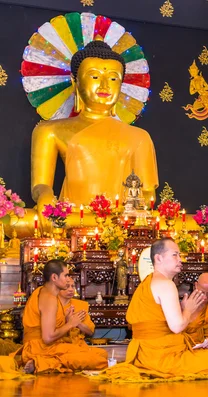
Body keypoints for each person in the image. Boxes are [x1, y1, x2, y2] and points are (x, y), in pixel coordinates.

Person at [25, 39, 158, 235]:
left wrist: (128, 212)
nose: (105, 85)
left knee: (173, 222)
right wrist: (45, 196)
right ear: (75, 82)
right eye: (94, 76)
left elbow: (147, 192)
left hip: (120, 221)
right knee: (23, 221)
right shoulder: (49, 130)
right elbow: (41, 184)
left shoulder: (139, 136)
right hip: (71, 219)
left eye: (113, 79)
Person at [102, 238, 208, 380]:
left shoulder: (148, 282)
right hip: (163, 357)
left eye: (179, 255)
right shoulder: (166, 284)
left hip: (143, 354)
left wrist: (184, 310)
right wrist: (189, 310)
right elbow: (177, 327)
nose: (180, 260)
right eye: (175, 255)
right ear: (158, 258)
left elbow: (164, 323)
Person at [15, 260, 108, 373]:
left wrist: (68, 321)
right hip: (40, 348)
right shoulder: (50, 298)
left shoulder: (43, 292)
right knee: (100, 361)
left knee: (101, 354)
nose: (68, 279)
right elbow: (48, 338)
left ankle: (44, 362)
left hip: (47, 347)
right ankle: (42, 363)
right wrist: (71, 324)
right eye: (65, 275)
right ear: (54, 277)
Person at [58, 276, 95, 343]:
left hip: (76, 345)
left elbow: (90, 332)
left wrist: (78, 323)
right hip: (56, 345)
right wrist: (67, 322)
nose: (71, 289)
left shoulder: (79, 305)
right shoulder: (51, 306)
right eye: (67, 286)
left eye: (73, 286)